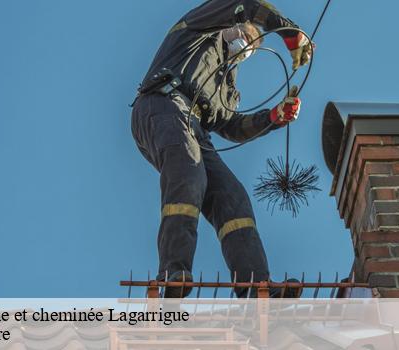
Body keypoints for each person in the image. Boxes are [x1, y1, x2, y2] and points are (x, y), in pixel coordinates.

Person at [130, 0, 314, 298]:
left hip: (195, 127)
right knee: (189, 174)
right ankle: (174, 271)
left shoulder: (226, 86)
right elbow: (245, 4)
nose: (245, 44)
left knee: (232, 198)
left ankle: (255, 287)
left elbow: (230, 125)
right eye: (245, 35)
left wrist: (273, 117)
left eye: (251, 47)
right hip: (162, 104)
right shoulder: (198, 27)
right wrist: (288, 31)